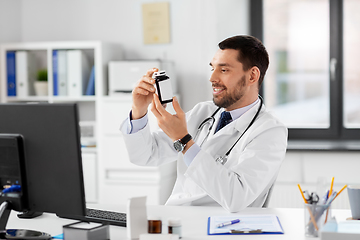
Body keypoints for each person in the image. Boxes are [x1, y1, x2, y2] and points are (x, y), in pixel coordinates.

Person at [120, 35, 288, 212]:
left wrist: (184, 141)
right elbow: (145, 155)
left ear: (253, 75)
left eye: (223, 70)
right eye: (212, 69)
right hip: (179, 217)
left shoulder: (270, 130)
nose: (212, 78)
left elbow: (236, 197)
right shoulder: (204, 112)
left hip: (225, 226)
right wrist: (138, 111)